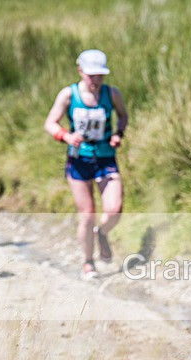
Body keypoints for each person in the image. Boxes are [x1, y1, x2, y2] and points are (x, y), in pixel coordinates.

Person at [44, 49, 128, 280]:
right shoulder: (68, 94)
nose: (95, 80)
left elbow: (123, 116)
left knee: (114, 209)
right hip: (78, 160)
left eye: (100, 75)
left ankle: (102, 233)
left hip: (105, 157)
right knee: (87, 214)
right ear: (80, 71)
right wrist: (65, 136)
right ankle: (88, 262)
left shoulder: (111, 94)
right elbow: (50, 123)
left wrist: (118, 133)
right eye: (91, 75)